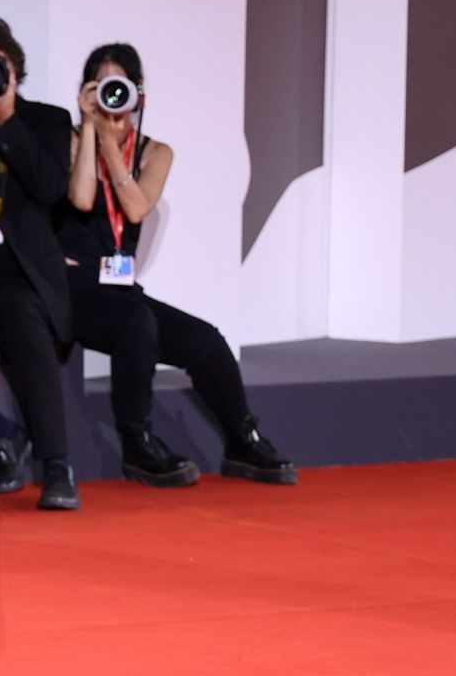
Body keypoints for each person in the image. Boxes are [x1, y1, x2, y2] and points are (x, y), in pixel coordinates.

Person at [61, 42, 297, 488]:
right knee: (136, 322)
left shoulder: (156, 152)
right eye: (102, 86)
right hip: (72, 284)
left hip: (119, 286)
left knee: (206, 340)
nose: (113, 98)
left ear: (139, 94)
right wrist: (92, 129)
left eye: (121, 86)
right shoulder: (71, 141)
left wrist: (114, 147)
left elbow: (135, 209)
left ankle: (243, 438)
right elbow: (83, 198)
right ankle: (137, 442)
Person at [0, 17, 78, 509]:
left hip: (21, 272)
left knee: (21, 321)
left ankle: (57, 467)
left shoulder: (47, 121)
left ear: (16, 71)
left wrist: (8, 121)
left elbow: (52, 186)